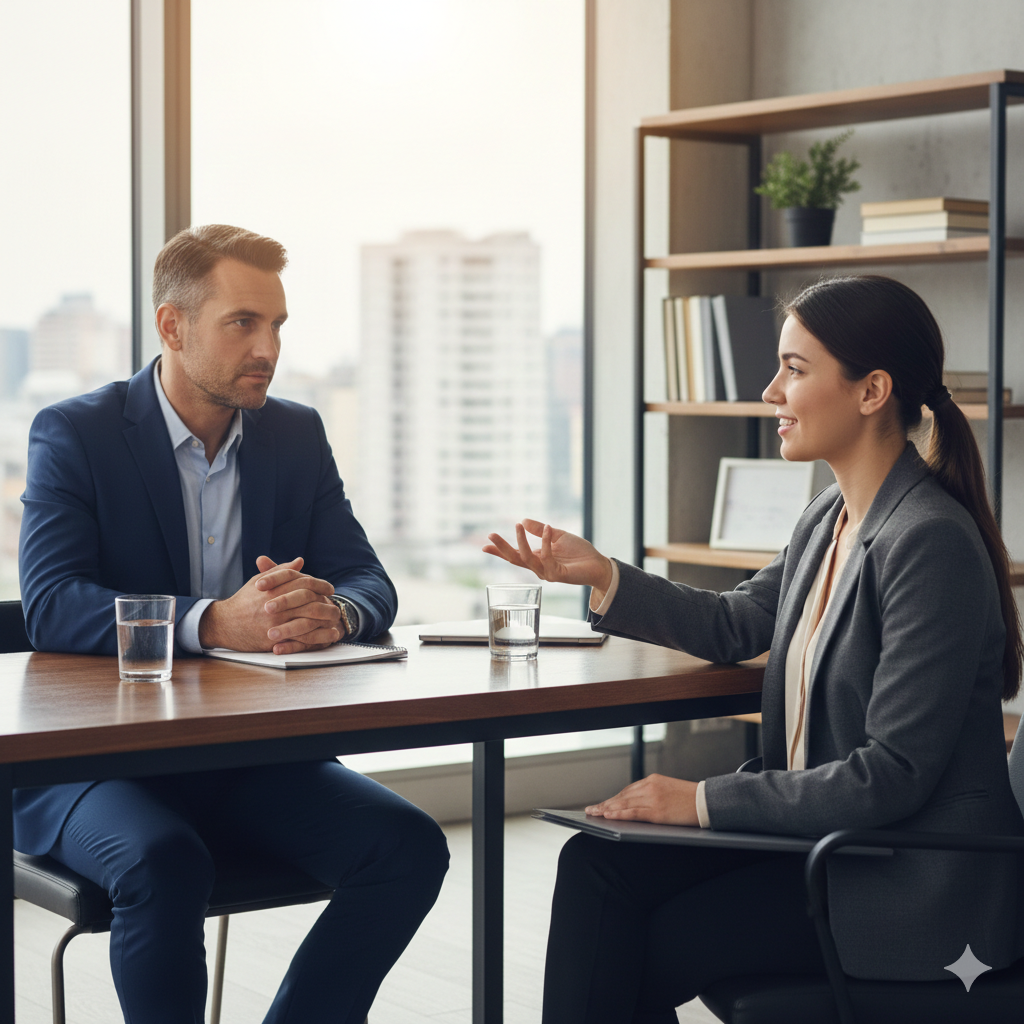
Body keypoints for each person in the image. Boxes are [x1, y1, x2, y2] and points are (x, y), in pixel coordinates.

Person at [485, 275, 1024, 1022]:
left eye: (794, 370)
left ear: (872, 391)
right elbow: (739, 623)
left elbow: (889, 778)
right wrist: (604, 575)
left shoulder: (928, 541)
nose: (771, 391)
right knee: (598, 865)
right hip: (826, 843)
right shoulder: (831, 516)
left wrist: (700, 801)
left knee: (635, 939)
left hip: (901, 882)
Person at [18, 224, 449, 1024]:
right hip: (97, 767)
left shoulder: (294, 433)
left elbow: (368, 581)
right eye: (242, 323)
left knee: (408, 848)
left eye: (278, 325)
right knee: (166, 861)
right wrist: (214, 622)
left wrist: (332, 614)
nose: (268, 348)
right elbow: (50, 603)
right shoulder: (76, 432)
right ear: (172, 326)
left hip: (246, 757)